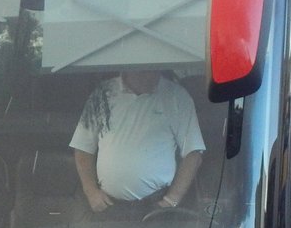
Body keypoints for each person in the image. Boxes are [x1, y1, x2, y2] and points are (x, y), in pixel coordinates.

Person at [69, 69, 205, 216]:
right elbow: (83, 148)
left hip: (158, 206)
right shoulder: (103, 93)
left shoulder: (177, 96)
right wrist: (91, 192)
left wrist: (171, 201)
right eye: (145, 70)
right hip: (108, 207)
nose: (152, 74)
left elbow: (193, 153)